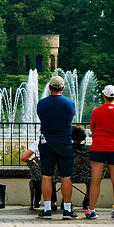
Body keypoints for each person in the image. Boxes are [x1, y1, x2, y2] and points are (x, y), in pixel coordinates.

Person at [36, 75, 78, 219]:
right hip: (65, 142)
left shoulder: (42, 103)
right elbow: (70, 119)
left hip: (47, 142)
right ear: (63, 88)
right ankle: (67, 209)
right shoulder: (70, 103)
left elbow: (41, 119)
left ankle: (47, 209)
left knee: (46, 176)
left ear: (49, 88)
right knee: (66, 176)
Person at [86, 85, 114, 220]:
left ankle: (91, 210)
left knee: (96, 180)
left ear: (104, 96)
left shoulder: (97, 111)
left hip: (99, 146)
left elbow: (92, 127)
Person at [21, 137, 57, 211]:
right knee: (53, 178)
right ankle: (57, 202)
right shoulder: (61, 141)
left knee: (41, 176)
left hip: (44, 171)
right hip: (60, 172)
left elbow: (24, 158)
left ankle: (37, 201)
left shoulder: (39, 142)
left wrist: (33, 163)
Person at [71, 123, 91, 209]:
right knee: (90, 179)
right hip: (87, 176)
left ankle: (66, 200)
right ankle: (87, 199)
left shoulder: (68, 149)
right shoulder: (90, 150)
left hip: (70, 176)